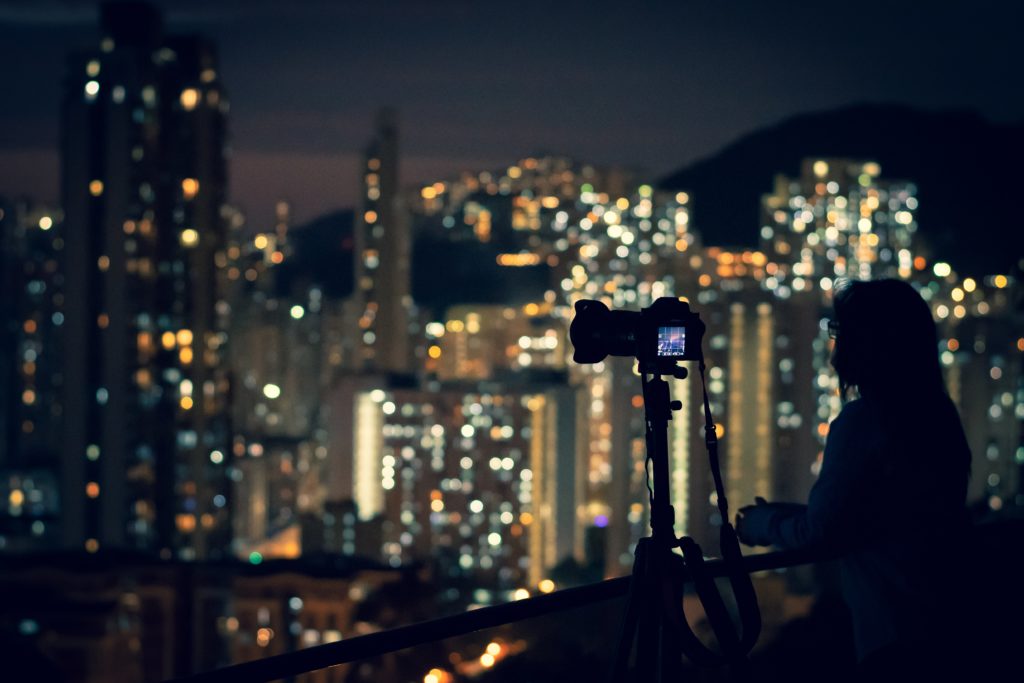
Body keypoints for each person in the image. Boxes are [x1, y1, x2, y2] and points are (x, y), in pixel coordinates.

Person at [735, 278, 972, 677]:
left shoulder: (865, 421)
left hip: (892, 642)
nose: (835, 348)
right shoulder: (939, 417)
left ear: (868, 343)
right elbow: (874, 514)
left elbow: (823, 531)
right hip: (946, 627)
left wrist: (760, 525)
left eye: (841, 332)